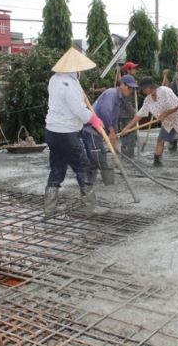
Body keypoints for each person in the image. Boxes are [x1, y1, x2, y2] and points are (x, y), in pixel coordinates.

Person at [44, 48, 106, 218]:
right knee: (83, 167)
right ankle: (91, 207)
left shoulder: (55, 79)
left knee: (57, 167)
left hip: (51, 130)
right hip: (66, 132)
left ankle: (49, 208)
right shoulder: (69, 84)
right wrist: (92, 118)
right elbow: (78, 110)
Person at [121, 77, 178, 168]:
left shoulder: (164, 91)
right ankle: (157, 164)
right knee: (160, 140)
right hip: (168, 122)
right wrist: (127, 128)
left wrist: (164, 114)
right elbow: (139, 115)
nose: (142, 91)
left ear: (149, 87)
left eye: (143, 89)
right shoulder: (148, 100)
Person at [82, 75, 139, 185]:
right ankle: (95, 185)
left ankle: (91, 183)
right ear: (122, 85)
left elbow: (113, 120)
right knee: (99, 158)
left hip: (98, 131)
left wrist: (114, 143)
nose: (131, 90)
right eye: (129, 87)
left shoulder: (119, 99)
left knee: (95, 158)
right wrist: (111, 131)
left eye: (132, 88)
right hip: (91, 129)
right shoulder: (111, 93)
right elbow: (104, 112)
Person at [118, 61, 139, 158]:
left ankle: (127, 155)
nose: (136, 70)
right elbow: (127, 102)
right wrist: (135, 113)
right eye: (134, 68)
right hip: (127, 115)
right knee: (129, 135)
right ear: (128, 70)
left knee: (128, 135)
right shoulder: (126, 83)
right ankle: (128, 156)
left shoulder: (132, 81)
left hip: (128, 114)